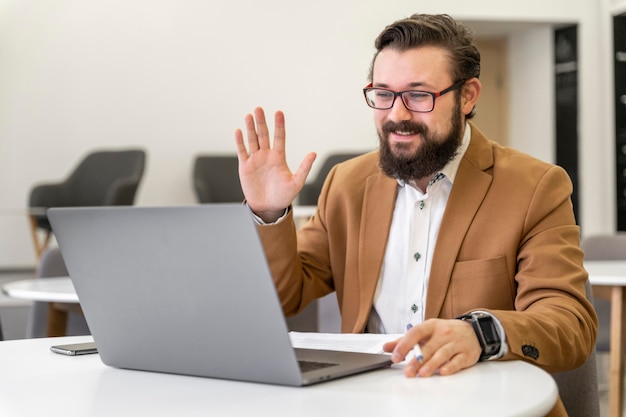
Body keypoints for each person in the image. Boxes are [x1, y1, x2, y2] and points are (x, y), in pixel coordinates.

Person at [234, 13, 596, 417]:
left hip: (489, 406)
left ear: (469, 95)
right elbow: (286, 294)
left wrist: (480, 333)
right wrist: (269, 212)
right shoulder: (347, 183)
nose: (397, 115)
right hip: (366, 404)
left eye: (419, 95)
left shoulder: (535, 186)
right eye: (384, 94)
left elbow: (569, 322)